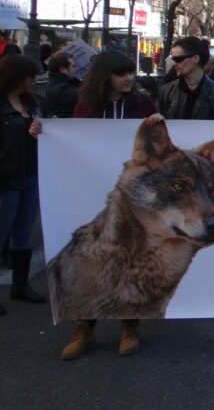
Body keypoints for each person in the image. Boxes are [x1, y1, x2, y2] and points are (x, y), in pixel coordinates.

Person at [60, 51, 158, 360]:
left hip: (133, 198)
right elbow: (70, 142)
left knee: (130, 258)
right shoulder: (86, 106)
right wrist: (41, 133)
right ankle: (84, 327)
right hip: (93, 193)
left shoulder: (143, 104)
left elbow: (158, 147)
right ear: (106, 77)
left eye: (130, 72)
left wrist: (158, 126)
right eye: (121, 73)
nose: (129, 78)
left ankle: (129, 325)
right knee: (90, 259)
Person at [0, 55, 45, 313]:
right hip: (6, 178)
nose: (34, 81)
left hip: (29, 174)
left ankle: (20, 285)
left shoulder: (32, 103)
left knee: (23, 231)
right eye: (31, 76)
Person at [157, 37, 214, 121]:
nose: (174, 64)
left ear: (195, 59)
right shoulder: (166, 92)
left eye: (178, 59)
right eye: (173, 59)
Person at [43, 50, 80, 118]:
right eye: (73, 66)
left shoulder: (58, 83)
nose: (76, 69)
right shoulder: (62, 89)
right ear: (63, 69)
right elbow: (83, 96)